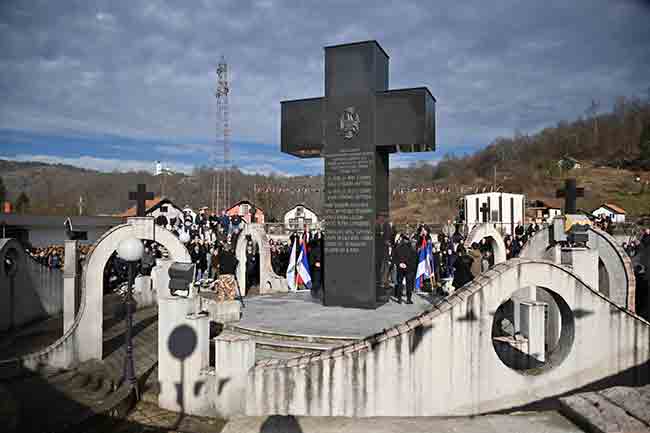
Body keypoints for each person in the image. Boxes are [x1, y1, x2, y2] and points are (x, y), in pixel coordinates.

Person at [392, 235, 413, 304]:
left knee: (400, 283)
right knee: (408, 284)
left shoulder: (398, 247)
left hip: (400, 268)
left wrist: (400, 264)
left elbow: (394, 258)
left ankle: (399, 299)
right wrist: (406, 264)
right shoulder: (411, 248)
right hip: (408, 268)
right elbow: (413, 259)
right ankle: (408, 299)